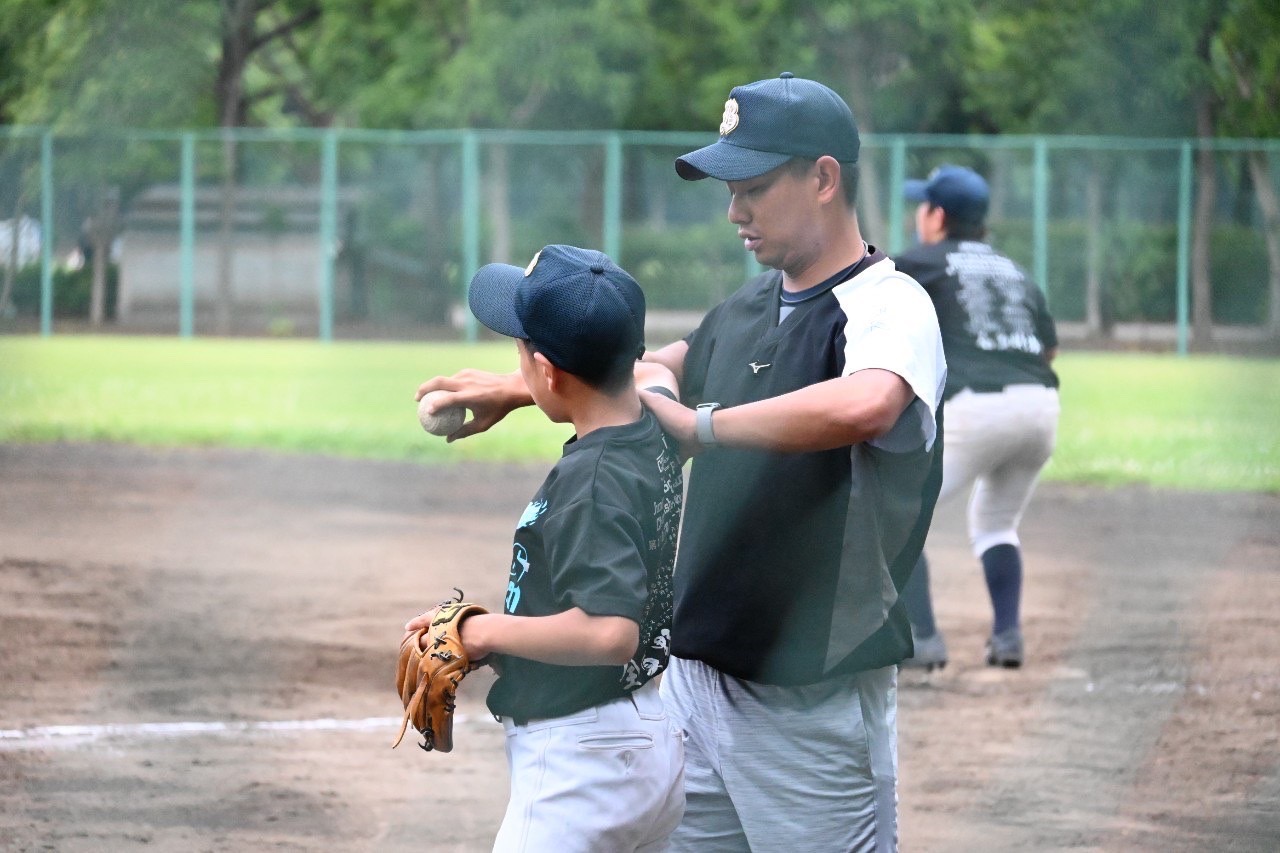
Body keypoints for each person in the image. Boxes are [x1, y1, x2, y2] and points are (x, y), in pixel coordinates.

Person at [418, 74, 946, 852]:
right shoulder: (747, 307)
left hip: (810, 695)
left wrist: (701, 423)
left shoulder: (887, 304)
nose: (735, 211)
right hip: (694, 686)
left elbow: (867, 404)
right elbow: (649, 368)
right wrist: (521, 387)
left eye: (755, 188)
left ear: (824, 178)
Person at [404, 244, 685, 852]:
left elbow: (611, 633)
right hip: (640, 738)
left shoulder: (592, 481)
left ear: (549, 372)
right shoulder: (649, 434)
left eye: (520, 350)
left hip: (581, 757)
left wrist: (482, 634)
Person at [893, 165, 1061, 670]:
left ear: (938, 215)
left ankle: (923, 637)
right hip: (1041, 408)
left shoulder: (919, 262)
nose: (917, 215)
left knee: (896, 513)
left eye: (922, 205)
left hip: (976, 406)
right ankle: (1007, 637)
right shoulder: (1014, 269)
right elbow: (1048, 348)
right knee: (996, 523)